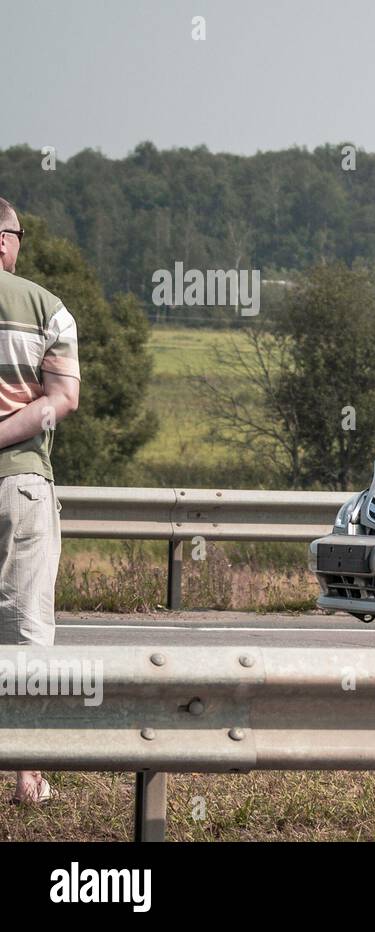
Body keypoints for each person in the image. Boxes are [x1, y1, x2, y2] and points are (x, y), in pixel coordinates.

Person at [0, 197, 80, 805]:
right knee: (28, 627)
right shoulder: (49, 308)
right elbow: (61, 402)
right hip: (21, 482)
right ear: (12, 239)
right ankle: (27, 774)